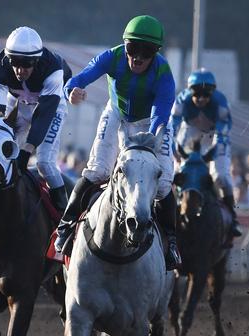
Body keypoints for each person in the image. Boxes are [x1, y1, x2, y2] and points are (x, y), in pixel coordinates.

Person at [54, 15, 181, 271]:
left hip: (151, 123)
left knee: (164, 182)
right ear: (124, 46)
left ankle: (172, 242)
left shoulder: (163, 73)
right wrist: (71, 91)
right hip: (117, 113)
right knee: (98, 170)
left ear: (155, 53)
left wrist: (150, 140)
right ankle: (65, 227)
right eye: (132, 48)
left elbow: (161, 113)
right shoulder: (112, 57)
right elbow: (78, 79)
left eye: (145, 52)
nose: (137, 57)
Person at [0, 26, 72, 231]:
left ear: (36, 61)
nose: (19, 70)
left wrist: (27, 149)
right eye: (15, 63)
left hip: (50, 108)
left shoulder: (53, 67)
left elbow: (43, 115)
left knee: (44, 162)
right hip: (18, 104)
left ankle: (64, 218)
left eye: (26, 64)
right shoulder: (1, 64)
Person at [170, 68, 242, 237]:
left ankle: (232, 217)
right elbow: (171, 127)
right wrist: (174, 151)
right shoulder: (181, 100)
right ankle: (163, 213)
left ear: (212, 93)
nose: (201, 98)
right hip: (189, 132)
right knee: (172, 173)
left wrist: (211, 154)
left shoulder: (221, 103)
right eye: (196, 94)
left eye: (206, 94)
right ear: (189, 91)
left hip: (215, 136)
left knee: (221, 176)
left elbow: (222, 135)